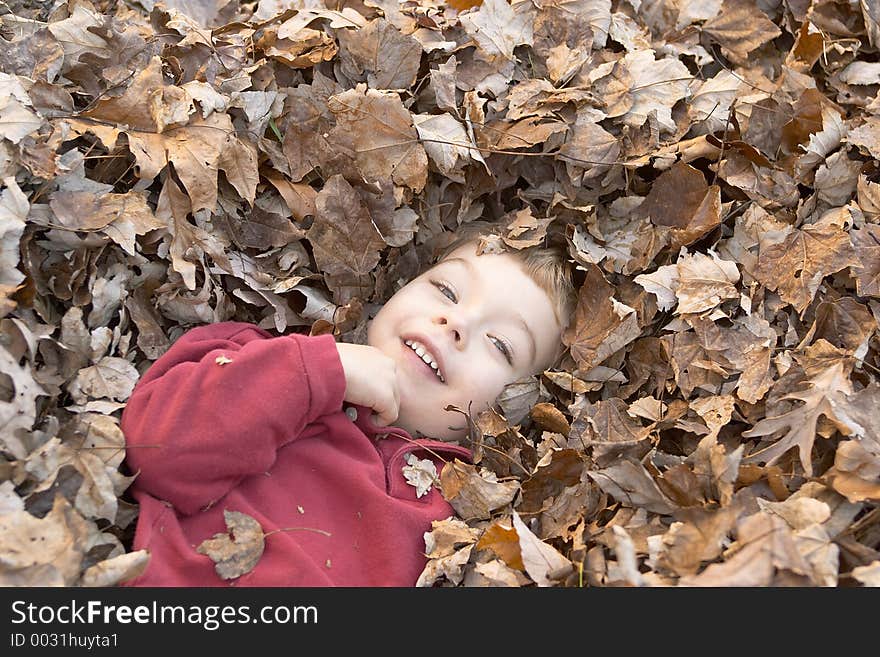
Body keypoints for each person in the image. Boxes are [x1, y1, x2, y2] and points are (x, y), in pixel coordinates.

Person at [119, 223, 576, 586]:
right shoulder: (256, 358)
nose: (456, 321)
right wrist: (318, 373)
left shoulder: (457, 528)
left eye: (500, 344)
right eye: (447, 291)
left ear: (516, 409)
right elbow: (155, 454)